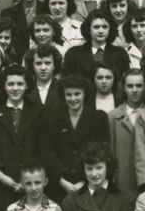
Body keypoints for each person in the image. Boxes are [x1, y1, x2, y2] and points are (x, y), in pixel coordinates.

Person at [39, 74, 109, 203]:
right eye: (69, 95)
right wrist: (61, 180)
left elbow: (102, 152)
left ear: (85, 95)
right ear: (63, 96)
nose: (73, 98)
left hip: (91, 183)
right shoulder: (51, 119)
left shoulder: (99, 118)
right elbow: (47, 152)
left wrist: (84, 180)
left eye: (77, 94)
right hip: (58, 186)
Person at [0, 63, 42, 208]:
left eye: (20, 84)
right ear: (4, 86)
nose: (15, 88)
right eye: (11, 84)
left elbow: (42, 149)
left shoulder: (38, 111)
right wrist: (2, 178)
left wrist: (29, 179)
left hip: (32, 185)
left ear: (27, 86)